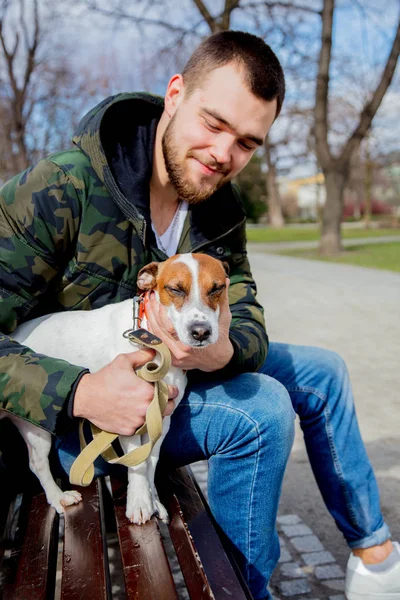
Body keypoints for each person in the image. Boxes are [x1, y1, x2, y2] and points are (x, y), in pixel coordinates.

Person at [0, 30, 398, 600]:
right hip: (75, 425)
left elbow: (249, 312)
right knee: (262, 409)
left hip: (174, 377)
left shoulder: (219, 207)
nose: (223, 154)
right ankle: (242, 590)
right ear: (176, 93)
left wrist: (227, 349)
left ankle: (376, 559)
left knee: (324, 370)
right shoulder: (62, 187)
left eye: (247, 143)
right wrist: (80, 392)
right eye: (213, 123)